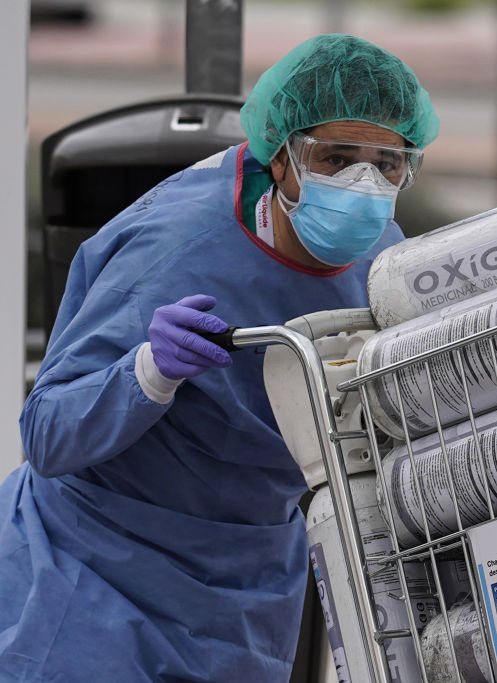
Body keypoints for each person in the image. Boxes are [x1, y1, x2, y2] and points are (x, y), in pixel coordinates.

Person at [0, 34, 438, 681]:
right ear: (283, 157)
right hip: (97, 570)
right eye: (336, 157)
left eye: (389, 163)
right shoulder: (176, 250)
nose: (364, 184)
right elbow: (47, 434)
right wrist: (147, 372)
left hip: (244, 587)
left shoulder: (388, 267)